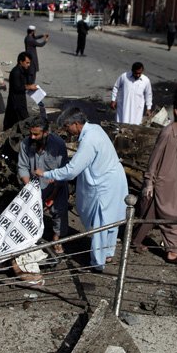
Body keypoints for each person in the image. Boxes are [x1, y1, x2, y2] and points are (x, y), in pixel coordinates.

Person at [35, 108, 128, 271]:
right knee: (110, 219)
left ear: (76, 124)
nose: (66, 130)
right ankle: (107, 252)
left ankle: (98, 262)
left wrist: (46, 173)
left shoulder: (89, 139)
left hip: (104, 184)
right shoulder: (95, 128)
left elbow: (71, 171)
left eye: (66, 126)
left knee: (102, 222)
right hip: (114, 180)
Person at [131, 114, 177, 265]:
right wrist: (149, 181)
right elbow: (155, 157)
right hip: (162, 183)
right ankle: (172, 252)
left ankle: (135, 240)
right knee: (173, 216)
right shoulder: (167, 133)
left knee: (151, 214)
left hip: (170, 184)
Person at [17, 116, 69, 255]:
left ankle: (57, 239)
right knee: (29, 213)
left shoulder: (58, 144)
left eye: (36, 134)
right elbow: (22, 167)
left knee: (59, 212)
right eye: (31, 134)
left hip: (55, 185)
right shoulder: (26, 143)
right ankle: (30, 239)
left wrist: (52, 195)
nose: (32, 137)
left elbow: (63, 172)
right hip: (33, 185)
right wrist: (29, 190)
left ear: (46, 133)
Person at [3, 52, 37, 131]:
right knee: (22, 121)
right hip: (15, 102)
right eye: (27, 63)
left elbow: (27, 81)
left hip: (21, 100)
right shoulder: (16, 72)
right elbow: (17, 87)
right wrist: (29, 87)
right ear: (21, 62)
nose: (28, 65)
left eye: (29, 63)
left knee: (17, 122)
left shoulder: (23, 70)